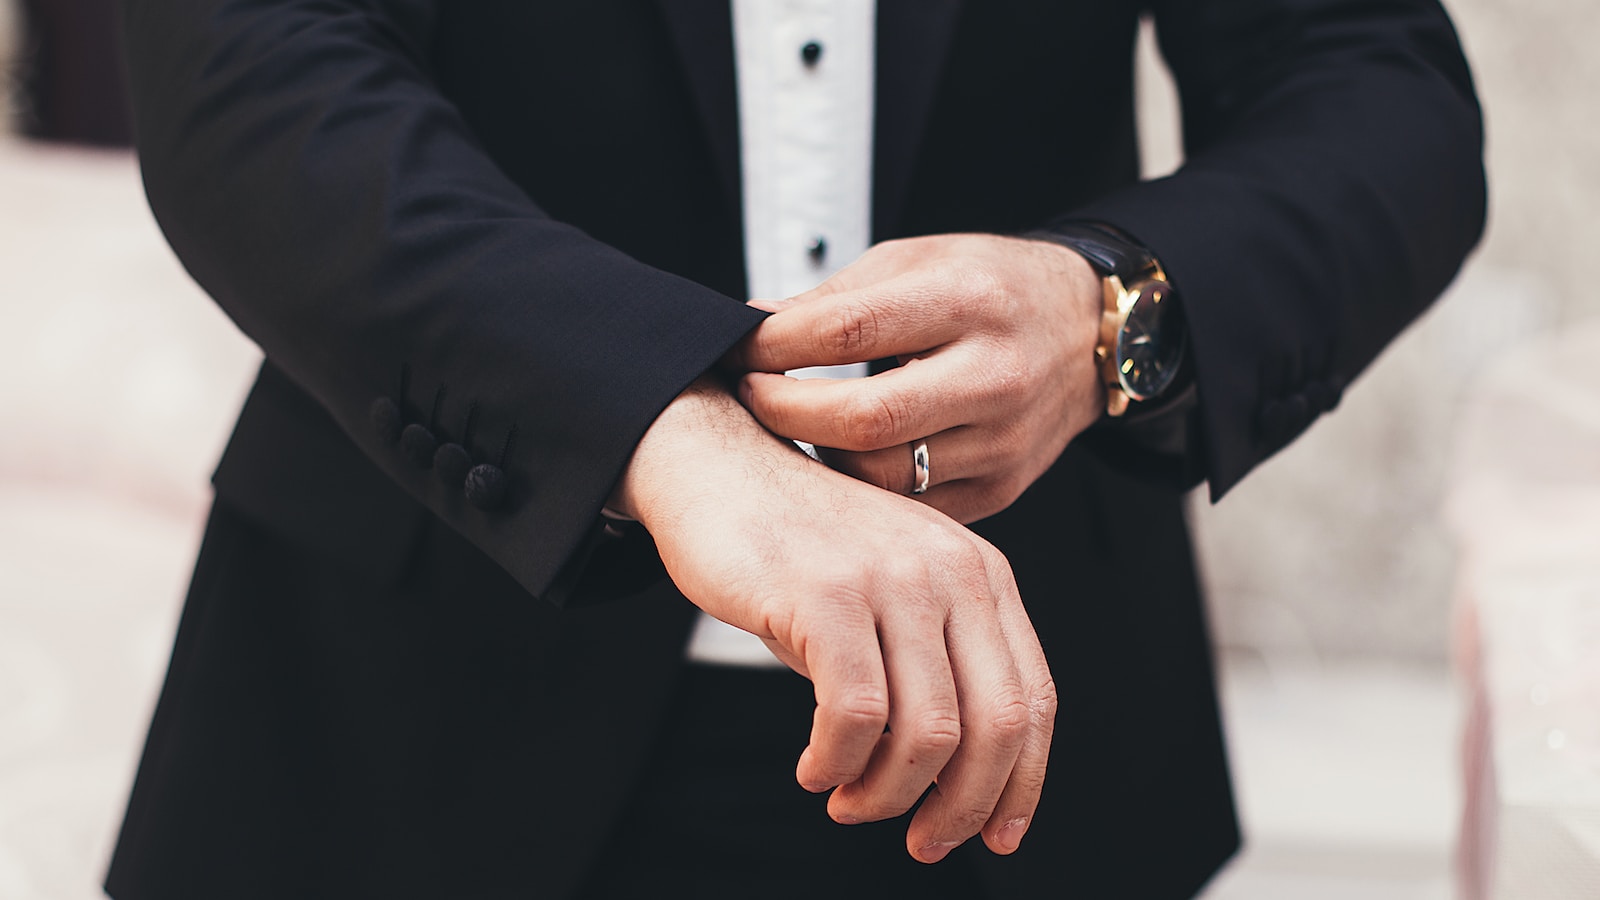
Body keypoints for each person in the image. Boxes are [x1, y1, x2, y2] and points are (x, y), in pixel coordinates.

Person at [107, 1, 1485, 897]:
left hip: (1021, 734)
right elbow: (253, 72)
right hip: (395, 716)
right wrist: (651, 415)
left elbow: (1374, 86)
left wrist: (1107, 310)